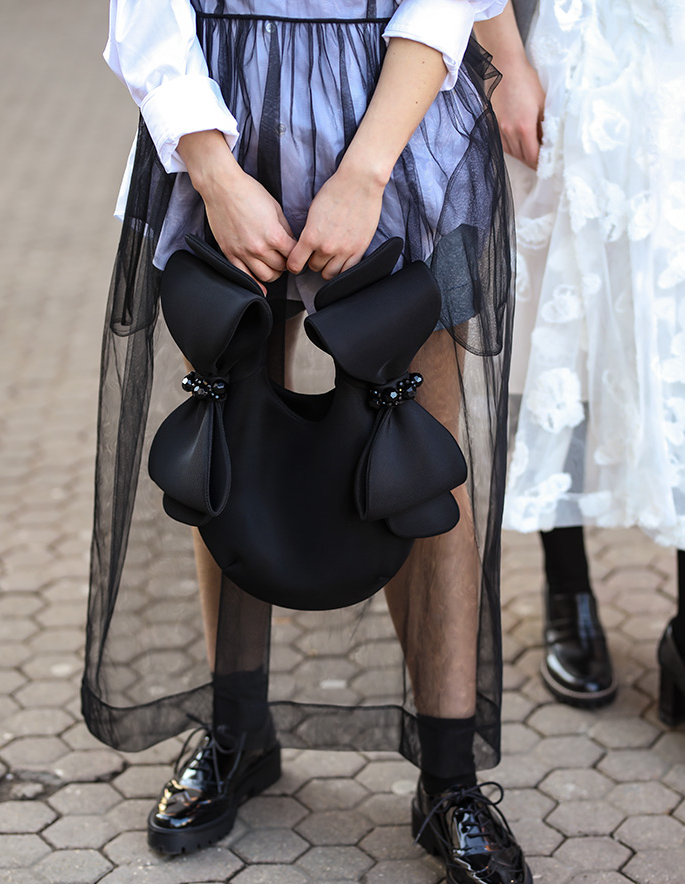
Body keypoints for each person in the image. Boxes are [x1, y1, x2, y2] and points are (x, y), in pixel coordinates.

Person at [83, 1, 529, 881]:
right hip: (227, 101)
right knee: (230, 414)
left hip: (394, 101)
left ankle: (448, 776)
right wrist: (212, 170)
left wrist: (366, 170)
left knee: (422, 435)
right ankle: (239, 731)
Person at [475, 0, 685, 713]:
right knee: (556, 326)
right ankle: (568, 589)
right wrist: (504, 61)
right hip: (571, 50)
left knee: (678, 331)